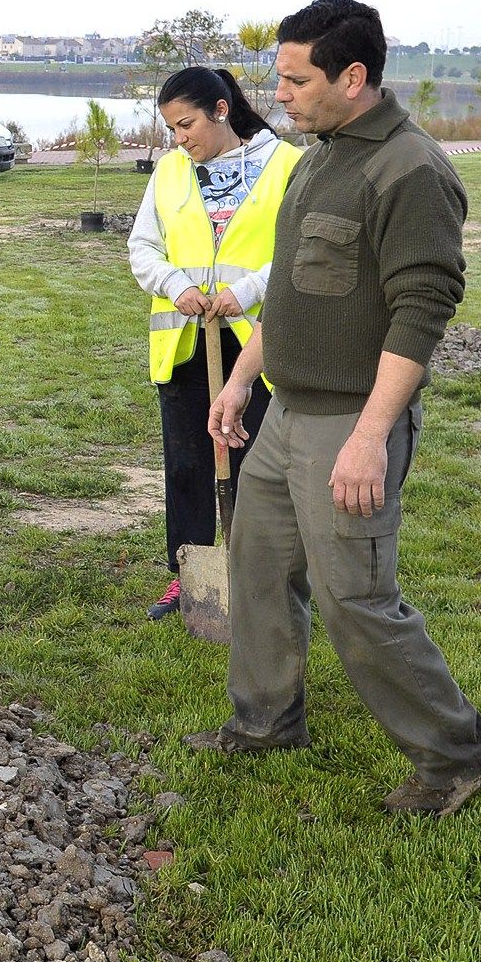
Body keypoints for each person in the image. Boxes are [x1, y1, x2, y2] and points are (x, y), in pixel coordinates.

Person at [192, 0, 481, 817]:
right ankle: (264, 722)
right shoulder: (320, 155)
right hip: (287, 413)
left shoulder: (410, 170)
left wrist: (369, 436)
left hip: (350, 422)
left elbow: (422, 307)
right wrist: (243, 376)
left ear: (352, 77)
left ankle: (454, 755)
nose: (276, 94)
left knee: (353, 598)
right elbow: (291, 290)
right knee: (257, 565)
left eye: (293, 79)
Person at [128, 67, 301, 619]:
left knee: (256, 466)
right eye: (172, 129)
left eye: (187, 125)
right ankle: (190, 573)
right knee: (187, 464)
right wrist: (175, 285)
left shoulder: (286, 167)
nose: (180, 138)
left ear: (221, 111)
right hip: (186, 346)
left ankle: (260, 580)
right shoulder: (170, 171)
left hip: (259, 348)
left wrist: (249, 288)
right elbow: (143, 248)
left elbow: (303, 254)